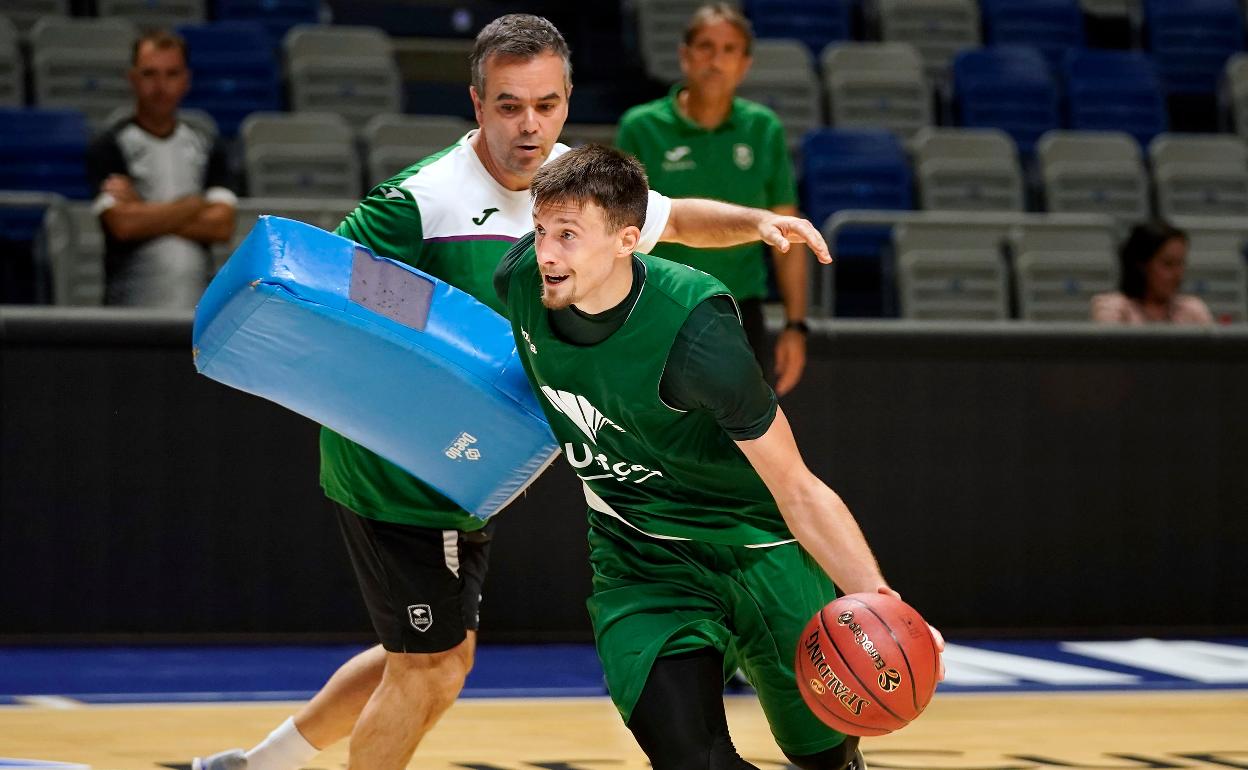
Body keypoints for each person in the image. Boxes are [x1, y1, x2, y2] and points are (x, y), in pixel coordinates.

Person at [194, 14, 831, 770]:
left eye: (547, 105)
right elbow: (330, 291)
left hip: (472, 468)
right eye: (509, 105)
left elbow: (677, 218)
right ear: (476, 102)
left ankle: (258, 765)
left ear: (565, 101)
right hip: (400, 478)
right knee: (429, 669)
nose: (530, 126)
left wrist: (760, 221)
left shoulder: (572, 188)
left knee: (428, 652)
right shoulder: (419, 201)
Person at [494, 144, 943, 770]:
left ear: (629, 239)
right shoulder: (520, 283)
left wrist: (883, 602)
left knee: (824, 759)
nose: (546, 251)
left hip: (755, 547)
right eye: (541, 230)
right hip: (640, 555)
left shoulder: (696, 335)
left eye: (568, 236)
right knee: (690, 759)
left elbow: (797, 489)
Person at [615, 3, 809, 395]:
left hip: (738, 310)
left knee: (737, 442)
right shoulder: (641, 127)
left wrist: (795, 325)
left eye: (729, 49)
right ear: (685, 56)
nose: (715, 60)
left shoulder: (763, 129)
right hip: (658, 306)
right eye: (705, 46)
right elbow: (621, 230)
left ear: (745, 64)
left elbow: (788, 235)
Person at [86, 29, 236, 308]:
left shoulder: (208, 143)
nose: (160, 86)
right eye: (149, 74)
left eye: (171, 74)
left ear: (186, 80)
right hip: (128, 310)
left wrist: (143, 207)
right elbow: (124, 225)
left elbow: (222, 225)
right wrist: (194, 204)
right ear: (132, 78)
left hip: (195, 311)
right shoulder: (109, 145)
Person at [1091, 221, 1214, 325]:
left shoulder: (1193, 310)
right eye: (1168, 264)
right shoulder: (1114, 308)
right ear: (1142, 266)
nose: (1178, 274)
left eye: (1181, 264)